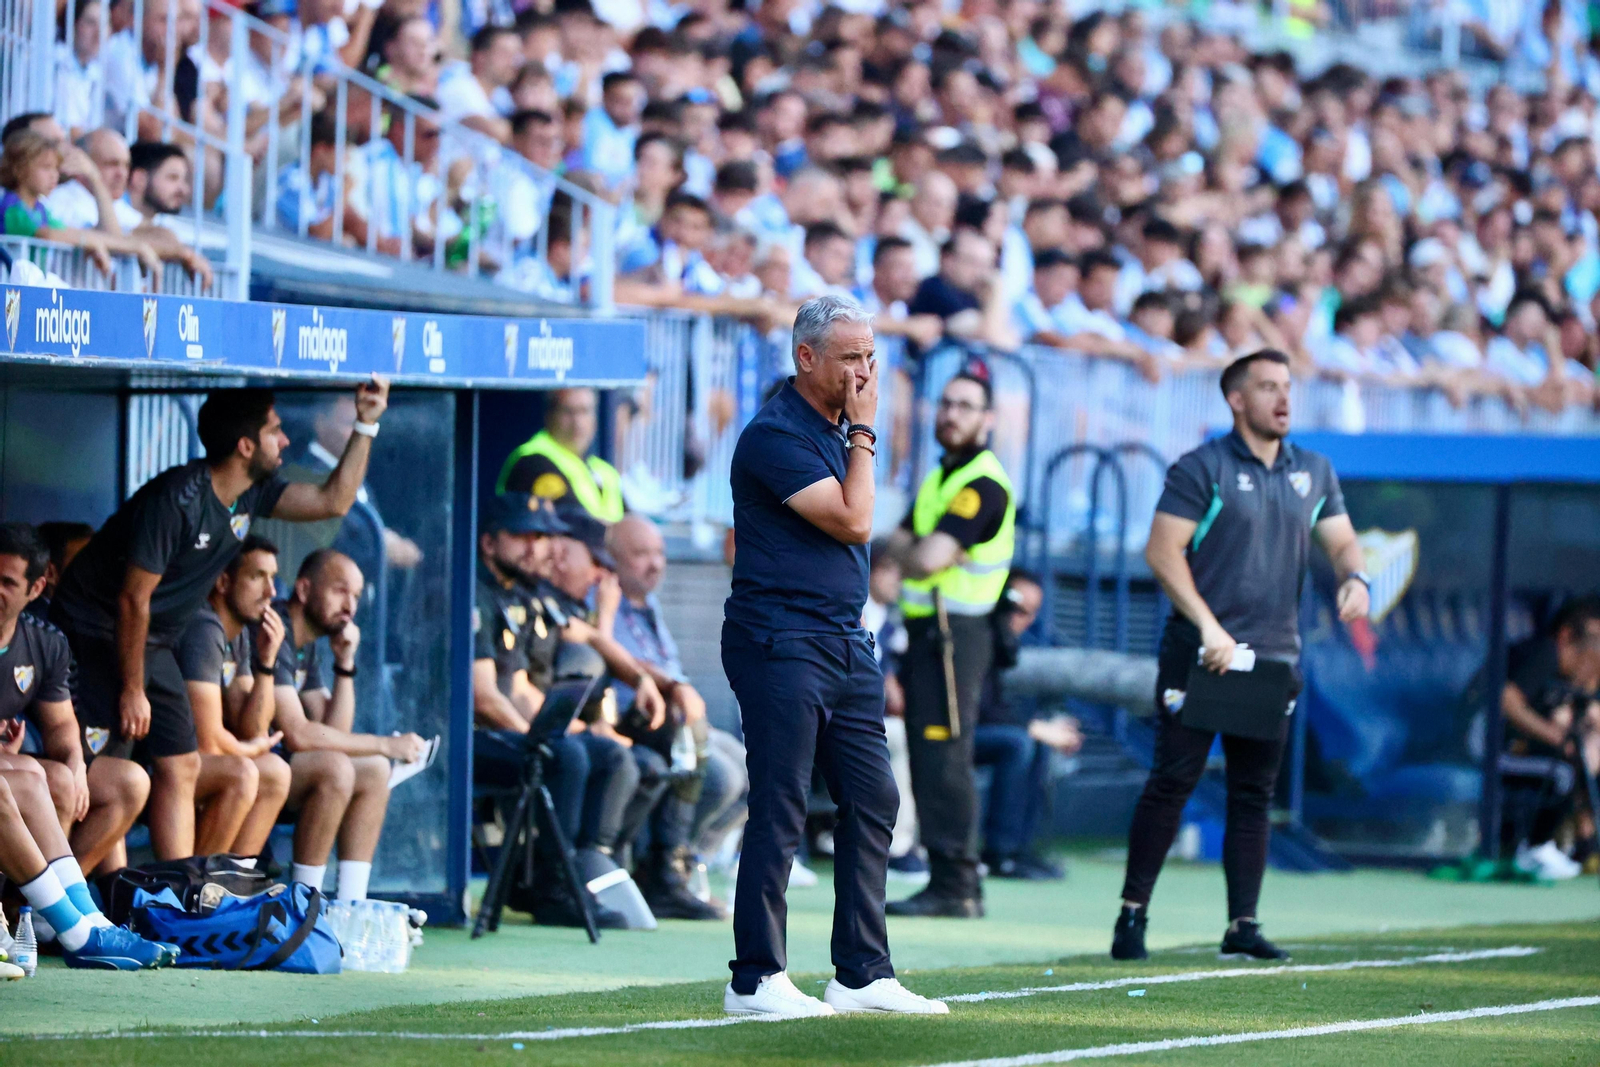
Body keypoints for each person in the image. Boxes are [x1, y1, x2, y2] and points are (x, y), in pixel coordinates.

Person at [49, 381, 388, 867]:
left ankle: (179, 891)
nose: (285, 440)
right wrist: (132, 688)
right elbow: (132, 600)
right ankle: (62, 896)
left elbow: (333, 500)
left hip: (154, 639)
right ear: (245, 446)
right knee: (109, 775)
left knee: (182, 765)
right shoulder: (177, 499)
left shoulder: (254, 492)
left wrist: (366, 424)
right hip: (95, 632)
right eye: (275, 431)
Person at [722, 294, 945, 1017]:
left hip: (845, 637)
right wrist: (868, 432)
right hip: (780, 638)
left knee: (875, 797)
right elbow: (854, 520)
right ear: (805, 356)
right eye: (850, 357)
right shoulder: (773, 433)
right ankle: (755, 978)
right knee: (781, 805)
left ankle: (861, 972)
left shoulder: (837, 430)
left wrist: (859, 433)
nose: (864, 372)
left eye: (871, 356)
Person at [1113, 349, 1370, 962]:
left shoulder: (1314, 470)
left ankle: (1242, 925)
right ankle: (1132, 915)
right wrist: (1208, 628)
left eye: (1287, 387)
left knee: (1254, 793)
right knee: (1173, 781)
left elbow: (1342, 541)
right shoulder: (1202, 467)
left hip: (1273, 655)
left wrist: (1355, 577)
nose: (1283, 399)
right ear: (1236, 399)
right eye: (1268, 387)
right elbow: (1161, 552)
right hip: (1201, 653)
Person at [0, 524, 174, 969]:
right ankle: (75, 931)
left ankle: (80, 918)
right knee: (21, 778)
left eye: (7, 583)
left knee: (51, 776)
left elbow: (61, 725)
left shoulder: (43, 641)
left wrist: (76, 763)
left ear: (36, 588)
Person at [882, 370, 1016, 918]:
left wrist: (913, 550)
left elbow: (923, 557)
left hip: (954, 636)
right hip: (929, 634)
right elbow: (901, 544)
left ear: (988, 419)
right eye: (946, 403)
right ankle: (948, 880)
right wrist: (913, 548)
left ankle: (956, 883)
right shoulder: (943, 476)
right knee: (929, 756)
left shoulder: (982, 485)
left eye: (965, 406)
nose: (951, 414)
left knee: (944, 758)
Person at [471, 495, 633, 927]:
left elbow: (518, 689)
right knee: (568, 756)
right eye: (521, 535)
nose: (534, 547)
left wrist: (552, 730)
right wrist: (537, 739)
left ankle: (580, 876)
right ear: (488, 543)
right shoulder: (474, 593)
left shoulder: (515, 595)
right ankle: (552, 889)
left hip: (500, 729)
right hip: (462, 737)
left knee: (608, 754)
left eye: (539, 536)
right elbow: (483, 698)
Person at [265, 549, 424, 899]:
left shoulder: (307, 644)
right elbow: (300, 733)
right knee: (336, 768)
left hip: (282, 767)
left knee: (375, 770)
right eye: (340, 591)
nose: (350, 606)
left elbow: (332, 731)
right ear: (304, 590)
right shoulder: (275, 628)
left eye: (356, 595)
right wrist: (385, 743)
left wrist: (345, 664)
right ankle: (304, 902)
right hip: (253, 765)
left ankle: (351, 903)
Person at [609, 514, 746, 917]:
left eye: (660, 553)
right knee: (720, 776)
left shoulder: (648, 604)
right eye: (641, 554)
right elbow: (626, 670)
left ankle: (688, 862)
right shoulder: (604, 603)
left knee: (755, 768)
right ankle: (659, 873)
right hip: (637, 722)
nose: (655, 564)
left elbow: (674, 671)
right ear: (613, 558)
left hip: (677, 720)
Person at [175, 536, 291, 861]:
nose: (271, 592)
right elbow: (209, 741)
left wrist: (266, 663)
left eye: (273, 578)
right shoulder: (203, 626)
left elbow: (251, 725)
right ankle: (195, 884)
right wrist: (252, 748)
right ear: (223, 582)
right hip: (160, 768)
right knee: (243, 773)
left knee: (275, 772)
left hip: (196, 762)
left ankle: (230, 883)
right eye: (257, 577)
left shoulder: (236, 633)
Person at [974, 571, 1077, 880]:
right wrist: (1037, 728)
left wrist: (1040, 728)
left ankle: (1019, 849)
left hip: (973, 729)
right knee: (1017, 743)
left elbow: (995, 707)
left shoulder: (996, 642)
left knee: (1032, 745)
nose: (1022, 619)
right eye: (1017, 609)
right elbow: (977, 710)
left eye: (1031, 613)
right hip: (945, 731)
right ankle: (998, 853)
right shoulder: (976, 635)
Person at [1498, 595, 1600, 881]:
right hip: (1486, 746)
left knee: (1584, 753)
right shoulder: (1545, 652)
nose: (1593, 655)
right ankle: (1536, 847)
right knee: (1563, 771)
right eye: (1591, 646)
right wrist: (1557, 738)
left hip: (1522, 750)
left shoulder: (1569, 678)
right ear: (1566, 637)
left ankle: (1585, 845)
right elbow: (1507, 701)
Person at [497, 387, 625, 522]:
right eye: (568, 412)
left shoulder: (604, 470)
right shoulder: (533, 461)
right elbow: (567, 518)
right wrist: (618, 532)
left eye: (585, 411)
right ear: (549, 416)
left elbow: (630, 519)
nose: (578, 422)